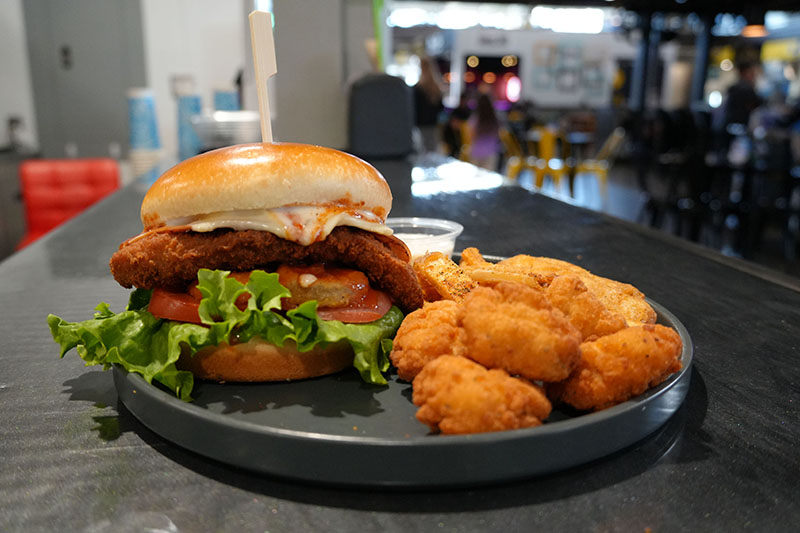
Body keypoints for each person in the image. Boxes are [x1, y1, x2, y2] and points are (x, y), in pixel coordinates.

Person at [413, 57, 445, 153]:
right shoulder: (436, 88)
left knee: (421, 152)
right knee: (432, 152)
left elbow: (413, 108)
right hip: (433, 126)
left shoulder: (417, 89)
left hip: (419, 126)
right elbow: (441, 108)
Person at [467, 93, 501, 170]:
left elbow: (472, 135)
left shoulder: (475, 119)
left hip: (477, 151)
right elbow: (498, 134)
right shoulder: (495, 119)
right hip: (491, 151)